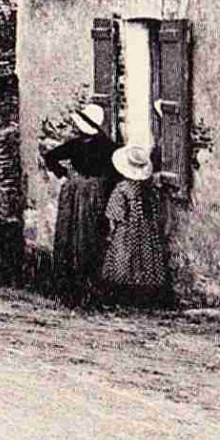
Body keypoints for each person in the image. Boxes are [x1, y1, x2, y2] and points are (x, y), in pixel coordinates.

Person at [42, 103, 119, 306]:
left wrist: (67, 175)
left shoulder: (82, 145)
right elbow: (116, 173)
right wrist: (102, 186)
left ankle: (75, 287)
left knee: (80, 236)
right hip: (90, 194)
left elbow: (50, 157)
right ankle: (81, 287)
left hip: (80, 193)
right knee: (82, 236)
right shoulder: (108, 147)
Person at [101, 146, 170, 306]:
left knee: (123, 258)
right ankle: (144, 294)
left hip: (126, 230)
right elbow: (154, 211)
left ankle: (121, 294)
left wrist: (112, 232)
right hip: (146, 229)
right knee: (146, 258)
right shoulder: (149, 189)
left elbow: (115, 214)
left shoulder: (122, 189)